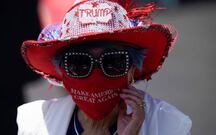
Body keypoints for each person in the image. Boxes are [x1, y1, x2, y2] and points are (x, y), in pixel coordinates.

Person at [17, 0, 192, 135]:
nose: (95, 76)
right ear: (62, 72)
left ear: (132, 68)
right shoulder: (34, 123)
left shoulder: (170, 125)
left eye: (113, 62)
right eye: (79, 63)